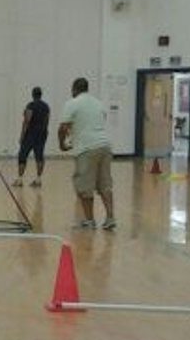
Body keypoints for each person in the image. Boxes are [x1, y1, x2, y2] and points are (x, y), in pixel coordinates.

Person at [58, 77, 116, 230]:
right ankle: (110, 218)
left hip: (86, 149)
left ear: (75, 89)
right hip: (105, 146)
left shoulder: (72, 103)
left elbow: (63, 127)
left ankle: (90, 220)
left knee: (84, 186)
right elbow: (101, 120)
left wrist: (62, 145)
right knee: (105, 185)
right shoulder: (98, 103)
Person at [13, 86, 50, 188]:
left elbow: (26, 121)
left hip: (30, 135)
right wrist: (45, 132)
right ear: (40, 94)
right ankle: (38, 180)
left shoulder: (30, 105)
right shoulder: (46, 106)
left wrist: (21, 136)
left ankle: (20, 180)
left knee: (22, 156)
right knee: (39, 157)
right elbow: (47, 120)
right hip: (42, 134)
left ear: (33, 95)